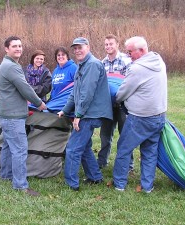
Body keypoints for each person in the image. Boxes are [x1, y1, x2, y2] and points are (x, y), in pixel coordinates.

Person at [112, 36, 167, 193]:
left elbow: (122, 93)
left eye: (130, 52)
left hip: (140, 118)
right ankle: (147, 186)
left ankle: (119, 184)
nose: (128, 56)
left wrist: (116, 98)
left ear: (141, 50)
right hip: (159, 116)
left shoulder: (137, 69)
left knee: (124, 149)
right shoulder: (159, 61)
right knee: (149, 152)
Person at [58, 37, 113, 191]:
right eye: (74, 48)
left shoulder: (93, 65)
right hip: (86, 113)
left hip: (90, 115)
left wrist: (78, 115)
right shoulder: (81, 65)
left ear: (88, 47)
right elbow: (75, 92)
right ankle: (95, 177)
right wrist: (65, 110)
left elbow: (87, 93)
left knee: (73, 148)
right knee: (85, 147)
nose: (77, 51)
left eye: (80, 47)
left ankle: (71, 183)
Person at [0, 36, 47, 196]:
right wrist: (39, 103)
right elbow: (25, 88)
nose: (18, 48)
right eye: (14, 46)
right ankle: (20, 185)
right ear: (6, 49)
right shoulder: (11, 67)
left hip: (6, 113)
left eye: (20, 46)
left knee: (8, 146)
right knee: (19, 149)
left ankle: (5, 175)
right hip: (12, 115)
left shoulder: (10, 64)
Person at [97, 34, 133, 170]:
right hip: (108, 105)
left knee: (125, 134)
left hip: (123, 104)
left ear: (117, 44)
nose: (108, 47)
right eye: (106, 44)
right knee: (105, 135)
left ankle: (128, 165)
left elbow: (131, 81)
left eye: (111, 44)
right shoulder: (102, 63)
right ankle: (102, 162)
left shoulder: (126, 60)